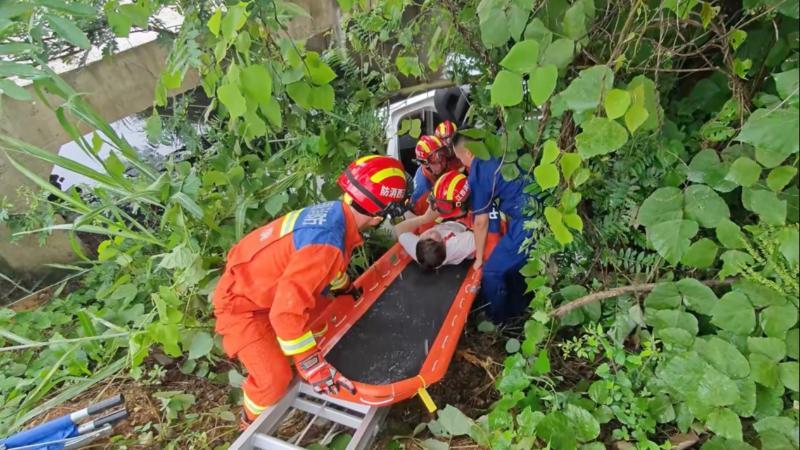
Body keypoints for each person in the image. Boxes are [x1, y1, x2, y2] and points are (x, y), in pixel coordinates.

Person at [212, 155, 409, 428]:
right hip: (243, 307)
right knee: (274, 379)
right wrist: (310, 363)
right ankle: (249, 421)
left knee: (326, 319)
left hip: (263, 285)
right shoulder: (326, 242)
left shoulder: (335, 216)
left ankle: (297, 356)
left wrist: (344, 288)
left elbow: (322, 268)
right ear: (378, 216)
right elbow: (285, 313)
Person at [452, 133, 535, 322]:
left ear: (469, 153)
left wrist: (479, 259)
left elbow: (481, 222)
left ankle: (499, 321)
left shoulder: (478, 172)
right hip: (535, 202)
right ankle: (518, 308)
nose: (462, 163)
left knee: (492, 272)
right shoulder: (501, 146)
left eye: (460, 158)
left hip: (527, 218)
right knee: (514, 266)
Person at [395, 170, 475, 269]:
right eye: (434, 240)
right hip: (464, 227)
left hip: (449, 224)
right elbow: (478, 236)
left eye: (426, 239)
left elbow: (399, 230)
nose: (431, 234)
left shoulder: (419, 252)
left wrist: (425, 218)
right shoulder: (457, 244)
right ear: (444, 243)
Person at [409, 134, 462, 215]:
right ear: (425, 164)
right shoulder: (422, 191)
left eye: (442, 157)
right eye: (435, 162)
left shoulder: (444, 164)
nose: (441, 164)